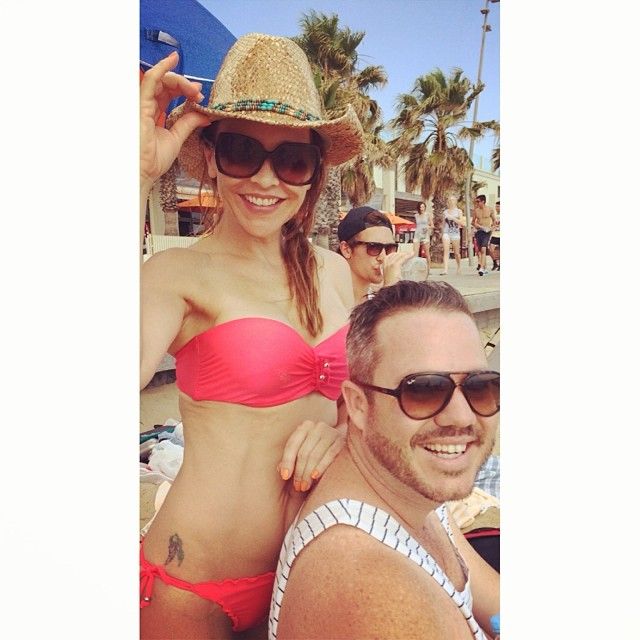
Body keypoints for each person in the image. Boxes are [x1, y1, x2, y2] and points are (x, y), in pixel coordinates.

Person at [139, 33, 365, 639]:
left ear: (314, 171)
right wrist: (136, 177)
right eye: (242, 152)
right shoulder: (177, 273)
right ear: (212, 156)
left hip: (307, 571)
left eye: (291, 160)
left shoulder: (334, 271)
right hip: (194, 582)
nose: (266, 180)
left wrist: (339, 433)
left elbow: (362, 401)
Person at [270, 281, 500, 639]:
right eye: (423, 390)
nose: (461, 416)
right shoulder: (373, 587)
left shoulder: (411, 485)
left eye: (480, 386)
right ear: (358, 405)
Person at [337, 206, 412, 302]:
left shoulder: (373, 300)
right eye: (374, 247)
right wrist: (390, 289)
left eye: (389, 248)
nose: (383, 257)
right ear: (346, 250)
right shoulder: (328, 299)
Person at [472, 194, 497, 276]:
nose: (477, 203)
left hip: (487, 232)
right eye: (476, 201)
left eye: (478, 201)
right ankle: (484, 268)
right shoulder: (476, 211)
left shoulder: (490, 209)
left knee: (483, 249)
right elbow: (473, 222)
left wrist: (492, 228)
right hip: (479, 231)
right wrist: (478, 226)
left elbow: (494, 221)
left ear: (483, 201)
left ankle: (482, 268)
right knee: (480, 251)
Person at [441, 194, 464, 275]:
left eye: (453, 200)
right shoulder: (445, 212)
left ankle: (459, 266)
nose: (451, 201)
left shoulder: (459, 211)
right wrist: (442, 232)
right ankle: (445, 270)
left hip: (455, 233)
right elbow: (443, 224)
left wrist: (453, 218)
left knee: (456, 253)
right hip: (446, 232)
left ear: (456, 201)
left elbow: (461, 223)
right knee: (446, 251)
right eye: (450, 200)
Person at [413, 200, 434, 268]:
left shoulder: (428, 215)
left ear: (425, 207)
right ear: (418, 208)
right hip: (417, 235)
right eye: (420, 207)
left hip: (425, 235)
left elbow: (432, 226)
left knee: (427, 253)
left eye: (423, 207)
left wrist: (427, 227)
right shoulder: (416, 215)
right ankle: (415, 268)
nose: (422, 208)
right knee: (415, 253)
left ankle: (428, 268)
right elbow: (417, 225)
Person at [488, 200, 500, 271]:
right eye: (496, 206)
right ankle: (495, 262)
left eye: (498, 206)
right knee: (491, 249)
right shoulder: (494, 215)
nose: (496, 208)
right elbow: (492, 224)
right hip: (495, 234)